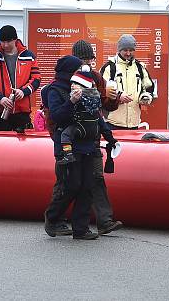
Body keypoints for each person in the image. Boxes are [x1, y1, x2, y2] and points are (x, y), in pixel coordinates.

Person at [69, 40, 122, 235]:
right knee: (70, 182)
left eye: (89, 58)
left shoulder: (98, 77)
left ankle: (105, 220)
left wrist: (114, 97)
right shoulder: (70, 77)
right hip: (73, 139)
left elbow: (107, 106)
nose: (87, 62)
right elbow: (74, 101)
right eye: (83, 58)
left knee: (97, 177)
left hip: (93, 137)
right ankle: (55, 218)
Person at [43, 56, 99, 240]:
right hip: (67, 146)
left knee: (87, 186)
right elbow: (57, 116)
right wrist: (71, 101)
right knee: (71, 185)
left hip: (87, 143)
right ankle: (52, 218)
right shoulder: (55, 90)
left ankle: (80, 228)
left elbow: (96, 115)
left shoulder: (85, 87)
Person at [0, 25, 41, 131]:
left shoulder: (29, 57)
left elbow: (36, 79)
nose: (5, 45)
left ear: (15, 39)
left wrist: (23, 92)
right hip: (0, 112)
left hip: (22, 111)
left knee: (23, 146)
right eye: (2, 41)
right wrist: (0, 98)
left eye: (8, 41)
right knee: (0, 146)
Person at [99, 35, 154, 130]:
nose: (128, 53)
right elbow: (101, 90)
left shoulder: (140, 67)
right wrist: (118, 97)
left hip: (134, 123)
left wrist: (145, 97)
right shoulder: (109, 67)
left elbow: (149, 87)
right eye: (125, 50)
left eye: (131, 50)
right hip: (112, 123)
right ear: (119, 50)